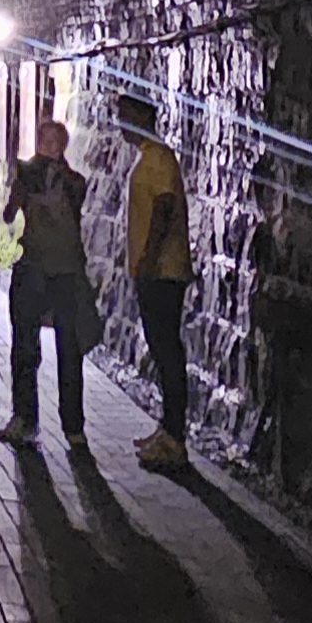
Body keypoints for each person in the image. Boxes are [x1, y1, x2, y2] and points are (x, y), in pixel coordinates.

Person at [0, 117, 92, 450]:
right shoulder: (26, 175)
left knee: (70, 350)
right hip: (34, 267)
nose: (49, 147)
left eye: (54, 141)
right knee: (24, 346)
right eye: (44, 141)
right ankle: (24, 417)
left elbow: (72, 210)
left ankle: (74, 426)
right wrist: (19, 192)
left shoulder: (75, 182)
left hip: (65, 273)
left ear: (63, 146)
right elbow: (9, 214)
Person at [119, 89, 193, 470]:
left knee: (167, 352)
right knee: (162, 350)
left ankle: (175, 439)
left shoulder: (160, 157)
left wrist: (148, 258)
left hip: (163, 272)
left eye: (124, 116)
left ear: (140, 118)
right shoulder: (148, 156)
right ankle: (167, 429)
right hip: (153, 270)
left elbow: (164, 206)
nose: (120, 125)